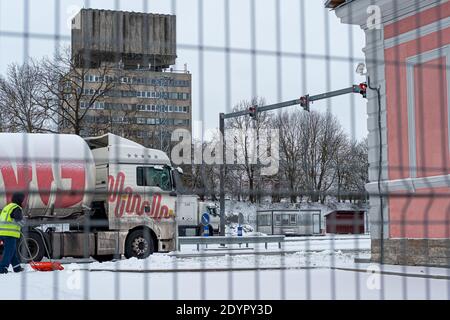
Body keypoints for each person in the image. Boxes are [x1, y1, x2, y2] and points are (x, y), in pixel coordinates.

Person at [0, 192, 25, 274]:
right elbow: (18, 220)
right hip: (9, 234)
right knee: (9, 251)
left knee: (12, 251)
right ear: (20, 200)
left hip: (2, 232)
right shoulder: (17, 208)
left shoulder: (7, 207)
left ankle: (17, 267)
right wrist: (24, 223)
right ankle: (2, 268)